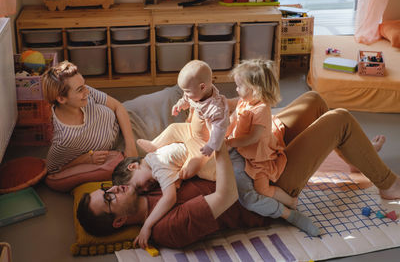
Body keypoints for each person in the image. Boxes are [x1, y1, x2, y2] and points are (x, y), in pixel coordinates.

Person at [77, 91, 400, 249]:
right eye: (107, 199)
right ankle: (388, 185)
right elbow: (228, 194)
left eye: (105, 188)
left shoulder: (147, 187)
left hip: (251, 155)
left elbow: (171, 147)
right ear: (119, 220)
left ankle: (357, 161)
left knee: (313, 100)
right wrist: (221, 143)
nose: (112, 189)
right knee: (339, 118)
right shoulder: (166, 228)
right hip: (268, 183)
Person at [137, 60, 229, 180]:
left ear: (202, 87)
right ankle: (154, 145)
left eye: (187, 91)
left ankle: (179, 177)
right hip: (189, 129)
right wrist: (179, 105)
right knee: (173, 127)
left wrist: (211, 146)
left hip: (202, 142)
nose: (185, 93)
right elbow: (186, 99)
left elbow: (219, 129)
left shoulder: (215, 108)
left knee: (194, 164)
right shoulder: (196, 93)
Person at [41, 61, 138, 174]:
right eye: (80, 89)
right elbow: (52, 169)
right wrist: (85, 159)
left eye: (84, 85)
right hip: (120, 142)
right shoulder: (63, 139)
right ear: (61, 99)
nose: (87, 91)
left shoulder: (84, 93)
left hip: (126, 120)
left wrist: (131, 146)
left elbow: (118, 107)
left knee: (164, 98)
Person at [225, 59, 295, 210]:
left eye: (239, 86)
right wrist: (226, 133)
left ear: (255, 89)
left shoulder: (261, 109)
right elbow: (233, 115)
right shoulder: (245, 100)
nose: (236, 90)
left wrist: (231, 143)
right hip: (242, 146)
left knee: (261, 189)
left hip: (258, 155)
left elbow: (253, 138)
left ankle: (290, 201)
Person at [112, 143, 189, 247]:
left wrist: (147, 225)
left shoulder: (158, 164)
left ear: (133, 166)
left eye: (139, 186)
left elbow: (170, 197)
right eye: (143, 192)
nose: (146, 189)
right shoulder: (152, 157)